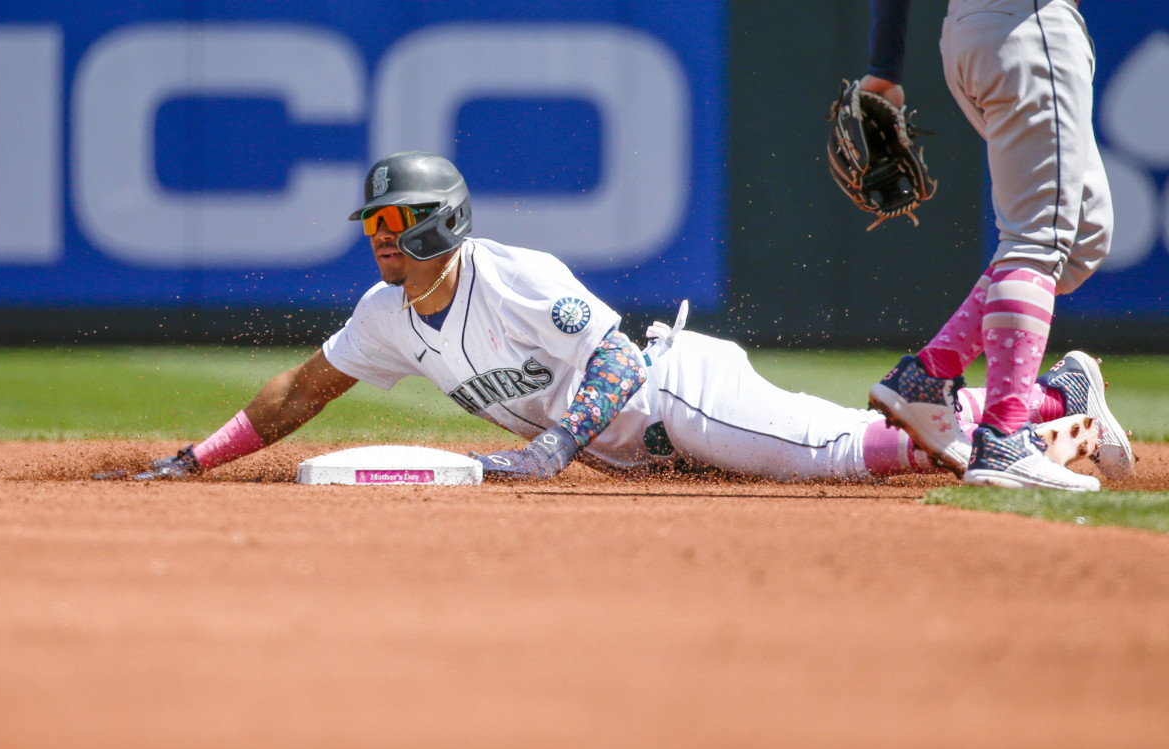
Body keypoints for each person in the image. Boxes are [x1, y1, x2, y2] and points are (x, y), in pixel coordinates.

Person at [109, 152, 1121, 488]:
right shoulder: (386, 315)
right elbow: (301, 390)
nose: (379, 235)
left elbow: (616, 357)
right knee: (868, 445)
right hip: (642, 447)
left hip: (678, 393)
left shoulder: (510, 276)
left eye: (396, 220)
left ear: (443, 224)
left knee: (857, 456)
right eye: (372, 221)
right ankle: (1045, 394)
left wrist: (553, 443)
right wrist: (197, 458)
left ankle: (1053, 408)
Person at [858, 0, 1133, 490]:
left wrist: (884, 67)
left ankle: (929, 376)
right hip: (1028, 26)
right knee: (1036, 241)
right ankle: (1004, 436)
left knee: (1082, 236)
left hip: (973, 32)